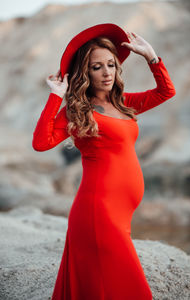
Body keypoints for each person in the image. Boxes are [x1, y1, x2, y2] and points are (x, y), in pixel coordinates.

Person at [32, 23, 176, 300]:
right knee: (126, 279)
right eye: (97, 67)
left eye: (111, 64)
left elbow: (165, 92)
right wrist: (55, 97)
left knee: (103, 281)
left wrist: (152, 58)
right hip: (99, 209)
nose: (107, 72)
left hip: (121, 209)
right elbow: (41, 143)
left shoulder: (122, 103)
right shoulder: (77, 110)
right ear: (85, 72)